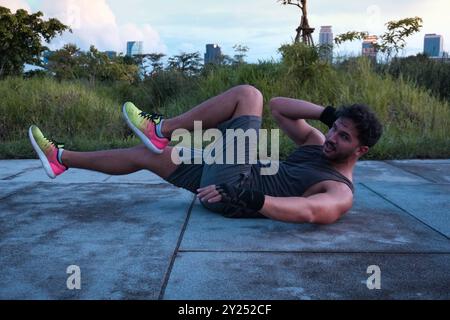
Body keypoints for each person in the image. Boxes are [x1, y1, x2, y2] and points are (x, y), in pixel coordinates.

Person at [28, 85, 382, 224]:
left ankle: (161, 128)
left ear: (361, 150)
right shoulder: (316, 142)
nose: (333, 137)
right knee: (146, 156)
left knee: (249, 95)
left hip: (238, 191)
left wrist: (250, 196)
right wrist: (329, 114)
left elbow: (307, 211)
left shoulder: (339, 192)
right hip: (227, 178)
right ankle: (62, 158)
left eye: (344, 136)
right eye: (336, 128)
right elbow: (281, 108)